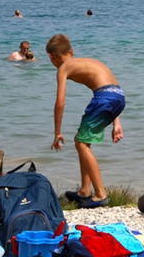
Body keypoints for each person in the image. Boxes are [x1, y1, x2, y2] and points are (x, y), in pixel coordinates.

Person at [47, 33, 125, 209]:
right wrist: (116, 122)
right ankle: (84, 191)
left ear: (51, 56)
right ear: (71, 51)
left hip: (105, 97)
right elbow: (112, 87)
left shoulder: (64, 68)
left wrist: (57, 132)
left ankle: (100, 194)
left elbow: (60, 102)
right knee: (82, 141)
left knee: (82, 143)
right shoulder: (88, 61)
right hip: (118, 96)